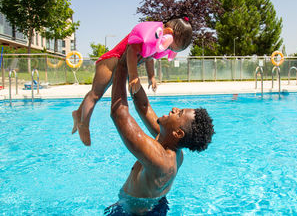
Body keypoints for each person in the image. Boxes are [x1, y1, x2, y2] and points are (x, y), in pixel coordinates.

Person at [106, 56, 214, 215]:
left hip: (135, 212)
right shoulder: (173, 147)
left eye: (179, 113)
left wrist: (121, 66)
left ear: (178, 133)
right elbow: (144, 106)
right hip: (153, 204)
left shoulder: (160, 160)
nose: (175, 108)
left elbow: (119, 114)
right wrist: (132, 70)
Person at [72, 18, 192, 146]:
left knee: (97, 94)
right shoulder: (151, 34)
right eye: (171, 47)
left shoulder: (156, 42)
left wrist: (151, 76)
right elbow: (131, 51)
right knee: (95, 94)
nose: (168, 50)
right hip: (111, 61)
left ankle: (78, 113)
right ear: (167, 33)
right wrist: (134, 75)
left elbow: (149, 57)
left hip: (121, 65)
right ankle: (83, 124)